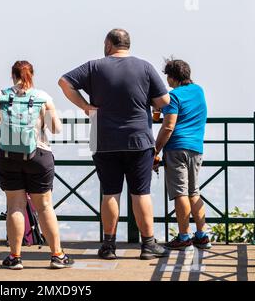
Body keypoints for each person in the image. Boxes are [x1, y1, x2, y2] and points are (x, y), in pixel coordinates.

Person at [59, 28, 171, 260]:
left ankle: (109, 246)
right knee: (141, 194)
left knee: (110, 193)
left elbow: (64, 82)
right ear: (127, 44)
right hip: (138, 140)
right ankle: (148, 245)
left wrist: (85, 107)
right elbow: (164, 100)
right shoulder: (145, 67)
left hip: (104, 140)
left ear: (108, 44)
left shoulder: (94, 66)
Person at [0, 60, 74, 270]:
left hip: (6, 156)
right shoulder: (43, 98)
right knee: (44, 206)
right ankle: (57, 255)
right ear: (32, 74)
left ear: (12, 75)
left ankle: (15, 257)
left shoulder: (0, 97)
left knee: (15, 205)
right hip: (38, 156)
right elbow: (56, 128)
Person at [154, 59, 210, 250]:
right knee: (194, 192)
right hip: (196, 146)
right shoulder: (199, 90)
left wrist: (156, 149)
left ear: (171, 77)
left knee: (180, 193)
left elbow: (168, 126)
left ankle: (184, 236)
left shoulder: (173, 96)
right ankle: (202, 235)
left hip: (177, 147)